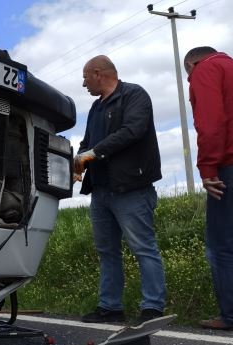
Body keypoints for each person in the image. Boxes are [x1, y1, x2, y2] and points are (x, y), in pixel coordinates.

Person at [73, 55, 166, 323]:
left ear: (98, 73)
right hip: (101, 191)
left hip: (132, 189)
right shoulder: (95, 108)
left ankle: (152, 307)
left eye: (85, 77)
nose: (83, 84)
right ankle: (111, 307)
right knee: (106, 251)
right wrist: (78, 161)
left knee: (143, 247)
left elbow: (132, 131)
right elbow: (87, 142)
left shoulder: (134, 95)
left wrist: (89, 155)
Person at [184, 46, 233, 330]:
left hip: (227, 166)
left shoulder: (205, 70)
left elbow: (211, 123)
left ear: (191, 64)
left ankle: (229, 315)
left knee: (222, 245)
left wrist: (207, 169)